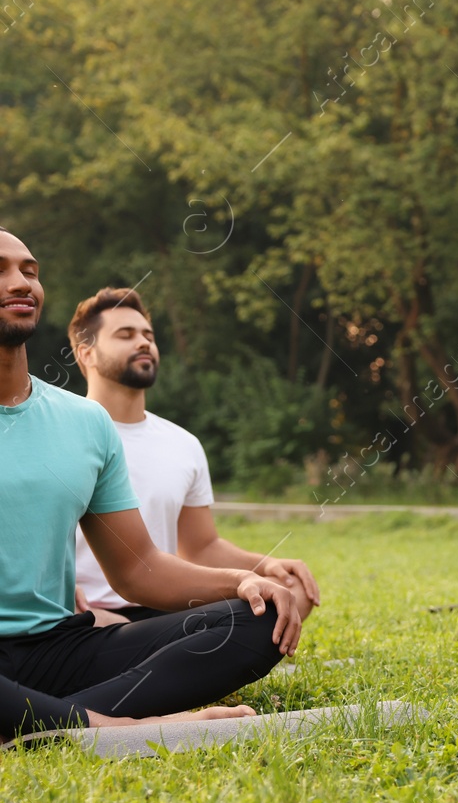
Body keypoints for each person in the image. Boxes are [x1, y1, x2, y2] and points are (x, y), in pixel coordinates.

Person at [0, 229, 298, 742]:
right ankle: (105, 725)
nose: (21, 281)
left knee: (254, 620)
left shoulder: (84, 423)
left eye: (29, 269)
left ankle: (39, 724)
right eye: (0, 270)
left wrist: (242, 581)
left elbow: (139, 569)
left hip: (56, 648)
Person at [69, 287, 320, 625]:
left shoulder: (182, 443)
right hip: (88, 612)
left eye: (148, 335)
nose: (143, 343)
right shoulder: (62, 431)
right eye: (125, 335)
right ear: (87, 354)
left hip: (168, 604)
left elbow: (201, 546)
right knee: (112, 631)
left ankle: (160, 655)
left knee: (290, 592)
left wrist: (264, 566)